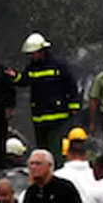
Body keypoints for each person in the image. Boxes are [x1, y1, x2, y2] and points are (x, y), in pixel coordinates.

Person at [9, 33, 79, 161]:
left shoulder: (58, 66)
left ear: (42, 51)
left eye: (33, 53)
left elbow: (71, 85)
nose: (31, 56)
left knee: (55, 147)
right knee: (42, 149)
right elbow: (25, 80)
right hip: (39, 116)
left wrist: (73, 105)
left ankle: (57, 172)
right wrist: (15, 77)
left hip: (57, 115)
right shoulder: (31, 68)